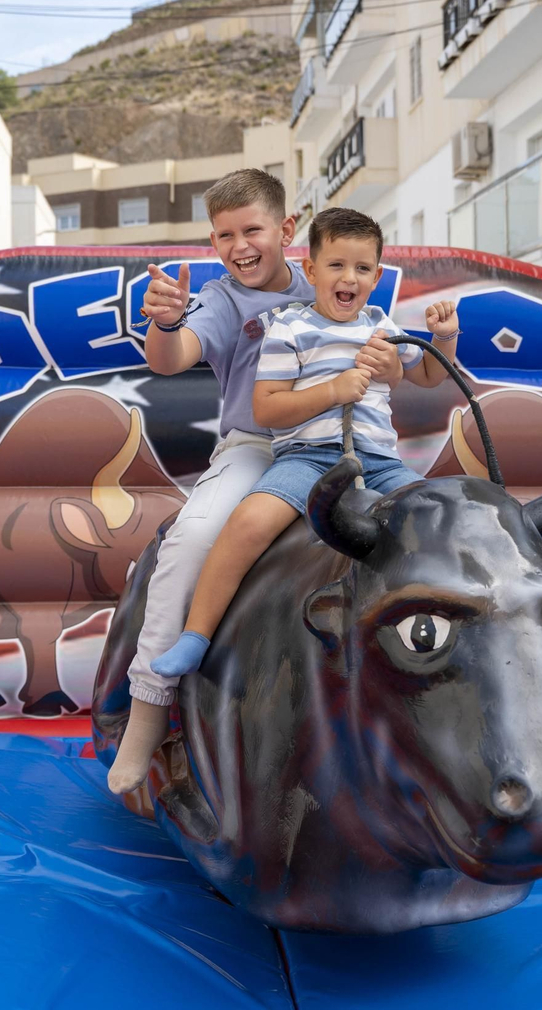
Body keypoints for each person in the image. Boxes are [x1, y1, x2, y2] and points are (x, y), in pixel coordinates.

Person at [108, 176, 404, 795]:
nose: (240, 246)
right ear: (212, 242)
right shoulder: (219, 300)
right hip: (258, 445)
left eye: (252, 231)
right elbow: (173, 356)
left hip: (347, 444)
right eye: (225, 236)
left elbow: (409, 365)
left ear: (288, 233)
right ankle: (148, 707)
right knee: (191, 539)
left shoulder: (331, 280)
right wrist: (164, 323)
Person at [139, 207, 462, 719]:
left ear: (377, 278)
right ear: (310, 271)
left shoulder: (380, 326)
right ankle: (196, 636)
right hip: (307, 457)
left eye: (361, 269)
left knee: (438, 518)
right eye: (335, 266)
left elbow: (428, 377)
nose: (348, 278)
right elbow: (268, 407)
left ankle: (453, 636)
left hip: (378, 460)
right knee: (246, 524)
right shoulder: (288, 327)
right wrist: (333, 389)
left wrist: (443, 338)